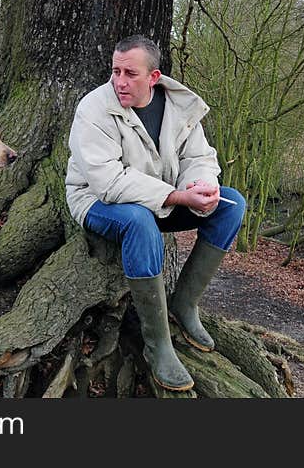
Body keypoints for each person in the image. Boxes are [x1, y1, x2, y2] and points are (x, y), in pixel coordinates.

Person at [65, 35, 246, 391]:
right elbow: (109, 183)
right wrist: (179, 197)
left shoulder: (179, 105)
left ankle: (184, 305)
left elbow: (199, 158)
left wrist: (202, 187)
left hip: (166, 197)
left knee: (232, 204)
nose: (119, 81)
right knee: (139, 221)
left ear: (153, 76)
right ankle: (158, 345)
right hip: (99, 203)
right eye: (115, 71)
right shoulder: (93, 109)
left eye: (130, 73)